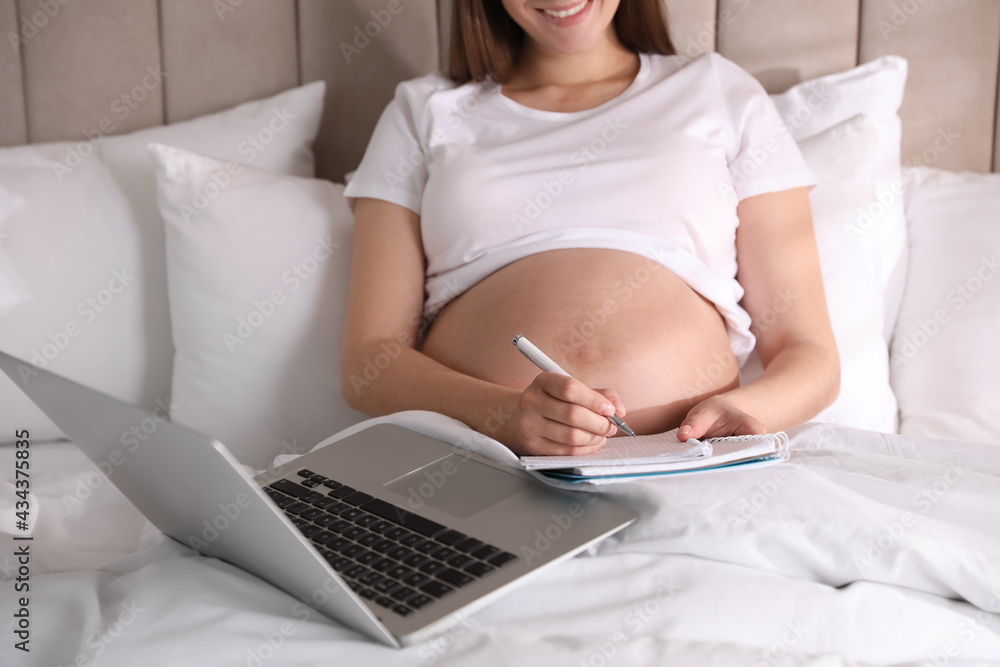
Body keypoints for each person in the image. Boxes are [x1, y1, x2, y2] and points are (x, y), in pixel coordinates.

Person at [340, 0, 839, 457]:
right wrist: (503, 415)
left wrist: (751, 413)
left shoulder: (717, 89)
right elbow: (369, 363)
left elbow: (809, 352)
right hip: (480, 461)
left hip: (682, 461)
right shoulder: (423, 109)